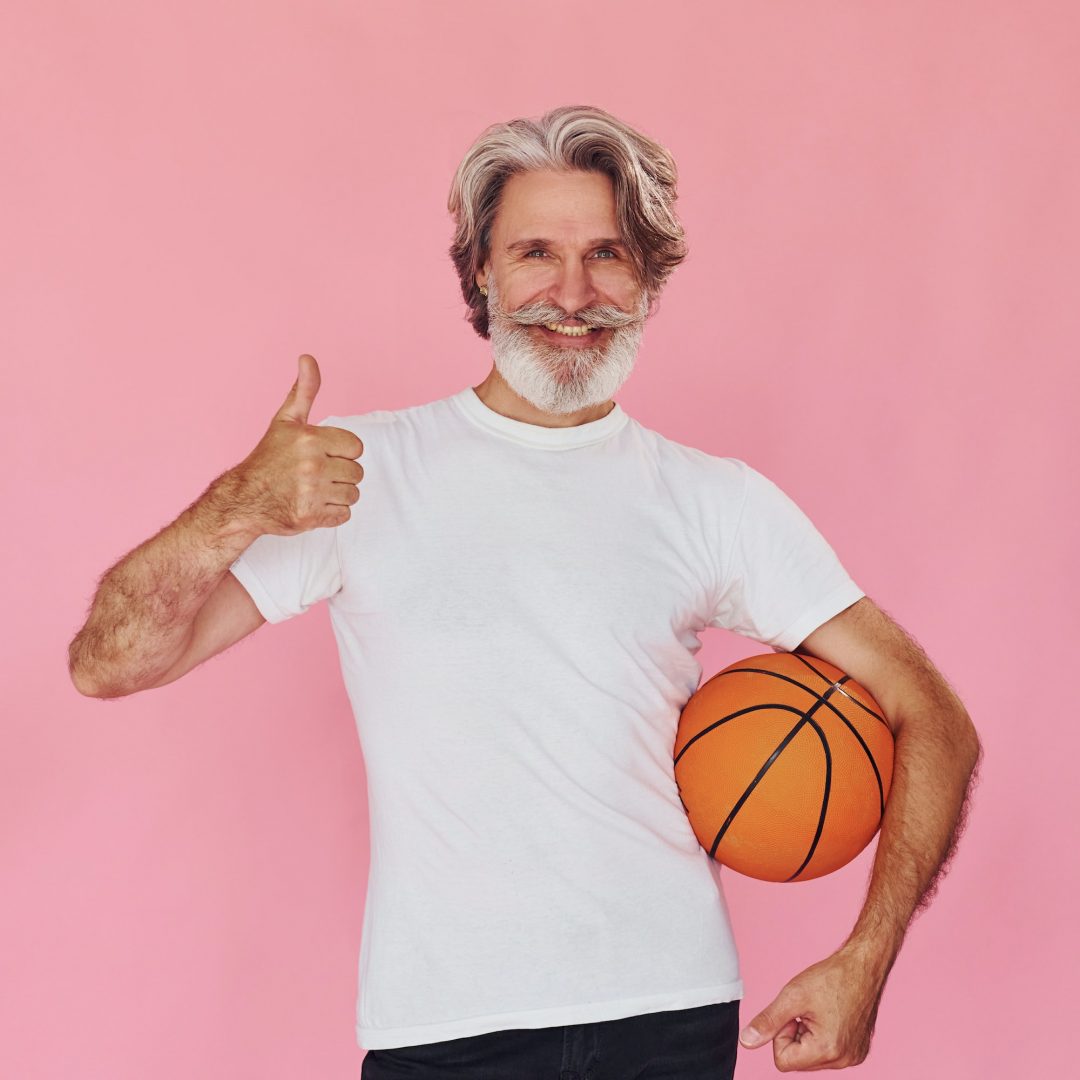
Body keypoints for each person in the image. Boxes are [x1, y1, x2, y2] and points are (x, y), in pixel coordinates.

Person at [69, 105, 981, 1078]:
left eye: (609, 255)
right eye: (535, 252)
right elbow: (109, 664)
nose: (572, 291)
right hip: (442, 1031)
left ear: (649, 280)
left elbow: (934, 715)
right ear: (482, 274)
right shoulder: (362, 469)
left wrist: (865, 959)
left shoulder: (716, 501)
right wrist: (234, 506)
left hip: (667, 1018)